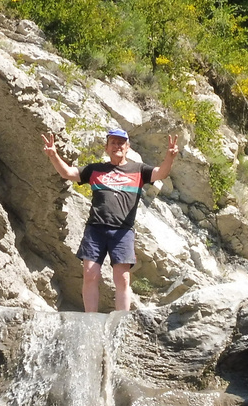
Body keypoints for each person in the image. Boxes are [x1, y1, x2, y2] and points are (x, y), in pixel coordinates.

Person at [41, 127, 179, 312]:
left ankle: (121, 320)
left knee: (122, 278)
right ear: (106, 148)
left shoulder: (138, 170)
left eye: (121, 143)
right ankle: (90, 318)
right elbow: (67, 173)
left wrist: (170, 157)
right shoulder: (95, 169)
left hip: (122, 231)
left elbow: (161, 173)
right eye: (113, 143)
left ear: (128, 147)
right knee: (90, 274)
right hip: (95, 229)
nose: (117, 146)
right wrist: (53, 155)